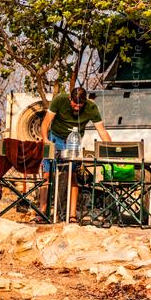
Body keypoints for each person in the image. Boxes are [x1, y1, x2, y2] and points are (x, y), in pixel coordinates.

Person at [40, 87, 111, 221]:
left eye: (80, 104)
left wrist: (111, 149)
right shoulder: (59, 100)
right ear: (69, 98)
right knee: (47, 174)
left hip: (73, 142)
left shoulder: (91, 107)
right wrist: (45, 140)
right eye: (74, 103)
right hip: (55, 138)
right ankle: (42, 213)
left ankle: (72, 215)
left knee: (72, 176)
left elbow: (102, 132)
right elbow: (45, 123)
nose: (77, 107)